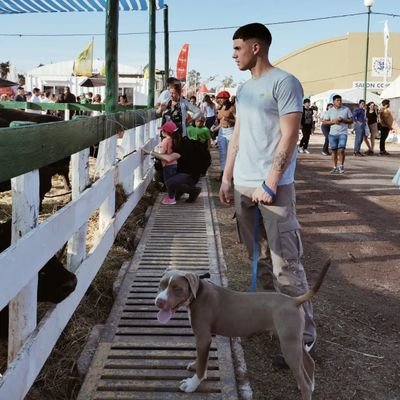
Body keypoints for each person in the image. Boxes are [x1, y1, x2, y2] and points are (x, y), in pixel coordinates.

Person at [219, 22, 316, 352]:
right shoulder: (244, 89)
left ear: (255, 47)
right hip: (244, 186)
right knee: (257, 258)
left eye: (237, 48)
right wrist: (227, 177)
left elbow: (291, 135)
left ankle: (302, 338)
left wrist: (271, 181)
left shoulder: (285, 82)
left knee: (285, 264)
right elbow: (239, 135)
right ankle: (265, 322)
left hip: (273, 189)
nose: (233, 55)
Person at [322, 95, 353, 174]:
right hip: (333, 134)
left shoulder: (346, 109)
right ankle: (334, 167)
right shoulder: (330, 111)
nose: (339, 102)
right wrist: (333, 122)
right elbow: (325, 122)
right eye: (337, 100)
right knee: (334, 151)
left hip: (343, 133)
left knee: (341, 150)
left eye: (340, 100)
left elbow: (351, 120)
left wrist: (343, 120)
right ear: (333, 102)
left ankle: (341, 166)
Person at [157, 120, 180, 205]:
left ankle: (171, 198)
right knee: (172, 181)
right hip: (174, 163)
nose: (161, 131)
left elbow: (162, 152)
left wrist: (157, 152)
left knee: (168, 182)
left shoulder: (165, 141)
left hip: (167, 165)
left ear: (165, 131)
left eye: (162, 130)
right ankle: (172, 196)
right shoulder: (173, 139)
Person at [215, 96, 236, 180]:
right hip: (221, 131)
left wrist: (228, 119)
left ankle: (232, 174)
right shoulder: (220, 107)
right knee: (222, 153)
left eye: (221, 98)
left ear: (226, 98)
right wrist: (215, 129)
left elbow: (237, 120)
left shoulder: (232, 108)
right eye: (218, 98)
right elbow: (221, 122)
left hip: (230, 131)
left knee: (231, 153)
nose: (219, 100)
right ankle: (223, 174)